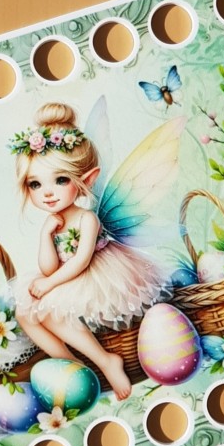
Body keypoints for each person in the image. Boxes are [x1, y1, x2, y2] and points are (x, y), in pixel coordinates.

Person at [11, 102, 166, 400]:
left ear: (88, 178)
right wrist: (45, 235)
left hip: (97, 275)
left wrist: (49, 284)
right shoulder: (52, 221)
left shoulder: (87, 219)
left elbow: (81, 261)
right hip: (62, 277)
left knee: (49, 309)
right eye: (35, 184)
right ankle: (72, 366)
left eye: (60, 180)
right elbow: (48, 267)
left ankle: (106, 360)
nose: (47, 192)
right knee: (24, 313)